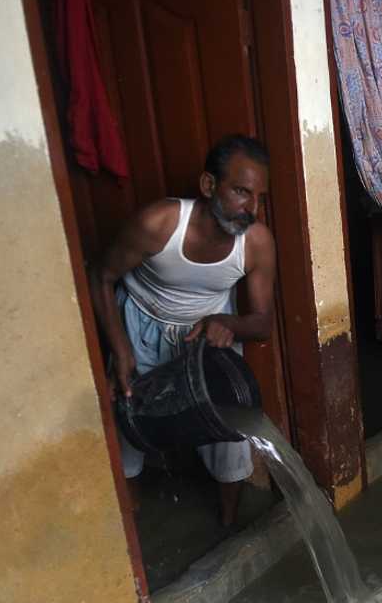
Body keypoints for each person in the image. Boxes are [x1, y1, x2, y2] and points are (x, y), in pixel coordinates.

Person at [89, 134, 277, 526]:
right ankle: (133, 526)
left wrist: (227, 323)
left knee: (229, 431)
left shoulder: (255, 243)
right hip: (141, 326)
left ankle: (229, 527)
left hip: (207, 336)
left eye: (259, 196)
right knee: (128, 422)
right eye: (241, 191)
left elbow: (262, 324)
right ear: (209, 185)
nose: (252, 208)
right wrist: (120, 350)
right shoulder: (160, 224)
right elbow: (101, 277)